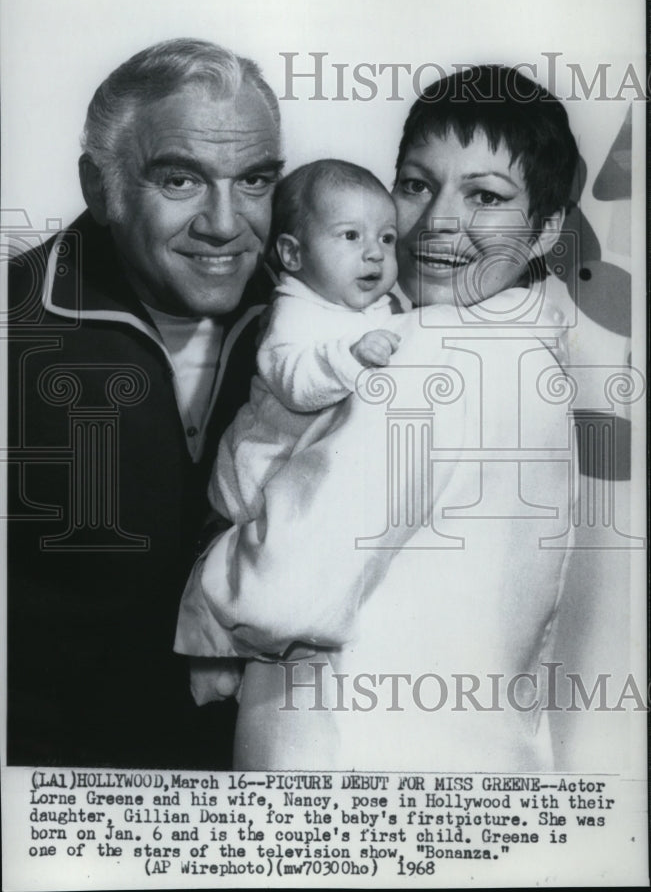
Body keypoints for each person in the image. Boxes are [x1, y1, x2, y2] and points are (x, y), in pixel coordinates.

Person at [175, 65, 579, 770]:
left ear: (543, 232)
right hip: (473, 768)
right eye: (417, 184)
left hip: (338, 771)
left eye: (484, 195)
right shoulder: (534, 355)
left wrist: (209, 565)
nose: (436, 221)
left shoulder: (425, 354)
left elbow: (281, 590)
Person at [7, 38, 283, 768]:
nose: (226, 224)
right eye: (181, 180)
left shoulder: (326, 322)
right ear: (101, 188)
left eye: (254, 181)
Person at [210, 159, 401, 526]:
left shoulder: (381, 306)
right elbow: (295, 384)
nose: (375, 252)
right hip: (261, 480)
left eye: (387, 237)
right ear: (293, 254)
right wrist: (352, 357)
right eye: (351, 235)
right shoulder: (293, 312)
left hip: (324, 471)